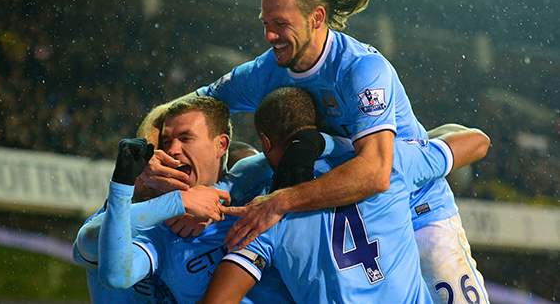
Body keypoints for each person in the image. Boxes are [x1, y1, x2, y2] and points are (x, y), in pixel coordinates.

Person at [138, 0, 490, 303]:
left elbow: (377, 173)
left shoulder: (361, 69)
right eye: (265, 23)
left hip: (414, 208)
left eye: (280, 23)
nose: (269, 35)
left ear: (317, 17)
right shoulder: (265, 71)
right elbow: (176, 112)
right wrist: (150, 163)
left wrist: (280, 202)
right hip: (335, 204)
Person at [201, 87, 490, 303]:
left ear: (265, 142)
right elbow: (478, 142)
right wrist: (416, 144)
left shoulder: (265, 213)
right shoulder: (387, 162)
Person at [76, 95, 296, 303]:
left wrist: (214, 197)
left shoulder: (249, 182)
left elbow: (301, 138)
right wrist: (172, 201)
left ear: (221, 145)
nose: (172, 150)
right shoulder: (158, 231)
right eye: (165, 142)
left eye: (185, 138)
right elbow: (90, 248)